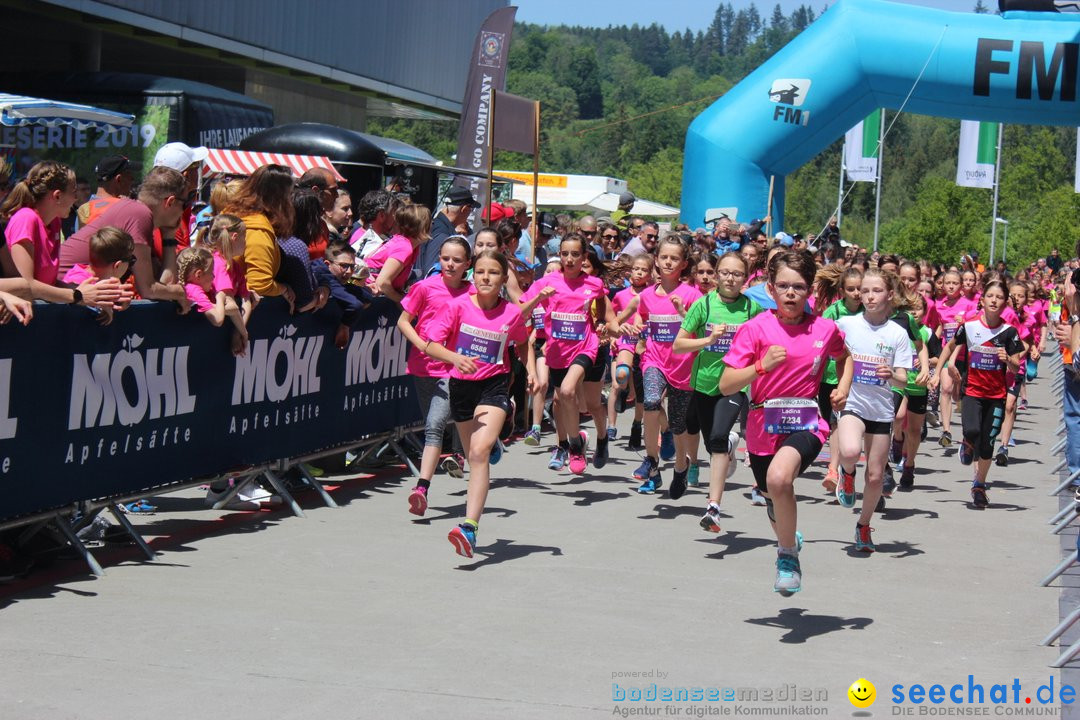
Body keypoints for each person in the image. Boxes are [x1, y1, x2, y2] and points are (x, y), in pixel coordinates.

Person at [720, 250, 851, 595]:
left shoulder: (825, 328)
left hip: (806, 422)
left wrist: (843, 387)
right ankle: (787, 533)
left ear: (809, 290)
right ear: (771, 289)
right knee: (771, 494)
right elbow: (727, 384)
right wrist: (761, 366)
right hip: (762, 427)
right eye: (783, 286)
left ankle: (787, 556)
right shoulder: (754, 329)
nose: (791, 293)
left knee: (780, 481)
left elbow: (844, 355)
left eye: (799, 286)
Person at [424, 250, 536, 558]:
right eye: (481, 272)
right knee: (475, 456)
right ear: (473, 275)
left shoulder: (511, 313)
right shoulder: (457, 307)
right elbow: (430, 343)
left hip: (494, 386)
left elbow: (523, 341)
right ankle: (495, 440)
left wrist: (533, 372)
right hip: (461, 387)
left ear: (503, 279)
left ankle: (469, 527)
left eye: (494, 273)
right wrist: (455, 357)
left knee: (477, 452)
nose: (486, 277)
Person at [674, 251, 763, 532]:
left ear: (745, 278)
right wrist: (708, 339)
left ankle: (713, 507)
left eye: (737, 274)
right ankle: (728, 449)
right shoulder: (704, 305)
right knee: (714, 444)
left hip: (735, 383)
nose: (730, 278)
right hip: (704, 383)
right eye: (724, 272)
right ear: (715, 274)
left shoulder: (752, 309)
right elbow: (678, 345)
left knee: (716, 437)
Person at [519, 233, 621, 475]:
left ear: (584, 257)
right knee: (561, 398)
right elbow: (520, 313)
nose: (569, 259)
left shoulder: (594, 285)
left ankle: (575, 446)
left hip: (586, 347)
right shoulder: (548, 282)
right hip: (556, 351)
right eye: (565, 254)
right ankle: (572, 442)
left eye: (575, 254)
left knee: (567, 391)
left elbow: (610, 318)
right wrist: (537, 298)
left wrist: (621, 328)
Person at [833, 268, 913, 552]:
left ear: (890, 294)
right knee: (852, 451)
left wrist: (891, 374)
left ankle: (864, 525)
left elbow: (905, 377)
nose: (868, 296)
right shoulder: (846, 324)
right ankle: (847, 472)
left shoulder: (898, 333)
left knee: (877, 476)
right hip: (853, 403)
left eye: (875, 291)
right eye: (863, 291)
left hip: (881, 409)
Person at [930, 279, 1024, 508]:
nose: (994, 300)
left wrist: (1008, 359)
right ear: (982, 301)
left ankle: (979, 485)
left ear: (1005, 303)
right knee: (972, 430)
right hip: (972, 390)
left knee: (988, 443)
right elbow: (950, 346)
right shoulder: (970, 326)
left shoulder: (1008, 332)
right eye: (990, 296)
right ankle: (967, 443)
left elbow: (1016, 364)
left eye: (999, 297)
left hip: (996, 395)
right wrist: (937, 372)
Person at [620, 234, 702, 496]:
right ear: (656, 260)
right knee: (652, 402)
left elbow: (700, 330)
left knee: (679, 425)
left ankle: (680, 466)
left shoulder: (692, 294)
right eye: (664, 257)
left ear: (683, 264)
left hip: (683, 366)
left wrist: (683, 314)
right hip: (654, 360)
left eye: (674, 258)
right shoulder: (645, 296)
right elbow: (641, 323)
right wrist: (636, 329)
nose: (668, 262)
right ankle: (652, 462)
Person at [397, 236, 473, 516]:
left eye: (456, 260)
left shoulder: (473, 293)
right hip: (423, 366)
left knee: (434, 425)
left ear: (468, 264)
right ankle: (477, 442)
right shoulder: (424, 287)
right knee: (439, 421)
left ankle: (421, 488)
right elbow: (403, 321)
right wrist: (420, 344)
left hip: (454, 368)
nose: (450, 264)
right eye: (445, 258)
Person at [61, 165, 190, 309]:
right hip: (64, 293)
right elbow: (149, 289)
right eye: (185, 203)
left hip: (70, 297)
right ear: (170, 202)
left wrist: (169, 235)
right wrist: (182, 292)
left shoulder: (136, 211)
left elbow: (164, 284)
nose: (184, 211)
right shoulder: (140, 215)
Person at [814, 265, 863, 492]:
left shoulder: (869, 313)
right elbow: (820, 342)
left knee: (846, 424)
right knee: (833, 423)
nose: (856, 293)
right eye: (851, 289)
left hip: (859, 379)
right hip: (830, 377)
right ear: (842, 290)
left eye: (859, 289)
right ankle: (836, 469)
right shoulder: (833, 312)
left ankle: (840, 468)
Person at [223, 164, 297, 311]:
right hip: (237, 312)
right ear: (280, 197)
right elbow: (259, 284)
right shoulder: (258, 230)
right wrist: (283, 289)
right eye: (290, 194)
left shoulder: (229, 214)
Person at [1, 160, 77, 285]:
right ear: (57, 196)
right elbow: (27, 285)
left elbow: (49, 284)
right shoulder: (25, 219)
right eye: (73, 192)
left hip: (41, 301)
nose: (76, 198)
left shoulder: (55, 222)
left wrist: (79, 291)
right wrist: (76, 296)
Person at [607, 254, 652, 451]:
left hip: (644, 345)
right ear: (629, 272)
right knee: (621, 375)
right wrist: (614, 336)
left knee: (642, 394)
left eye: (644, 270)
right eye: (636, 269)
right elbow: (613, 320)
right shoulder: (620, 295)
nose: (639, 273)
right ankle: (623, 393)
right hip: (626, 341)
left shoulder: (652, 294)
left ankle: (636, 424)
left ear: (650, 275)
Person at [934, 270, 978, 447]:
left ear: (961, 286)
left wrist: (965, 321)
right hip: (947, 353)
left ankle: (969, 433)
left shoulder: (969, 305)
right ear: (942, 285)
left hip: (965, 355)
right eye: (947, 283)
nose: (951, 286)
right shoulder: (939, 305)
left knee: (962, 395)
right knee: (945, 388)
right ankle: (946, 431)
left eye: (955, 283)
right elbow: (939, 328)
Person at [176, 246, 247, 352]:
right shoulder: (194, 290)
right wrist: (220, 297)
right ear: (199, 274)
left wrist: (244, 333)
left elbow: (234, 309)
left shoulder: (199, 288)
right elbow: (218, 319)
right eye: (211, 272)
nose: (214, 277)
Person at [60, 226, 135, 326]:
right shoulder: (78, 279)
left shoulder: (110, 282)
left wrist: (122, 302)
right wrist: (100, 306)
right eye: (131, 261)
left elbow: (121, 304)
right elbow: (71, 302)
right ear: (118, 265)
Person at [312, 240, 375, 348]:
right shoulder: (323, 275)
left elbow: (367, 297)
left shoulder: (338, 277)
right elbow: (355, 305)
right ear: (328, 264)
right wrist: (345, 327)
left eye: (352, 266)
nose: (349, 271)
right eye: (344, 266)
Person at [276, 189, 329, 313]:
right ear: (312, 220)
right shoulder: (296, 246)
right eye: (319, 215)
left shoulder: (274, 237)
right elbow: (304, 303)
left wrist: (325, 286)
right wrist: (319, 299)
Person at [367, 202, 430, 304]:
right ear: (422, 227)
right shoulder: (404, 247)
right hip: (370, 298)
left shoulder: (403, 242)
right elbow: (382, 283)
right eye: (429, 223)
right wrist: (405, 303)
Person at [418, 186, 477, 281]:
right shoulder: (442, 234)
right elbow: (431, 273)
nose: (470, 213)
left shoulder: (437, 226)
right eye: (471, 209)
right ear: (464, 208)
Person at [77, 154, 135, 227]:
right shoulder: (125, 207)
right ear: (119, 179)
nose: (132, 179)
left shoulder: (84, 210)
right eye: (129, 175)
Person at [351, 189, 397, 258]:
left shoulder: (377, 237)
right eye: (393, 212)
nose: (395, 217)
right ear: (381, 215)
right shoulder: (365, 240)